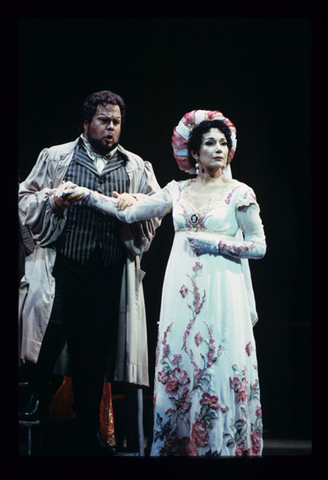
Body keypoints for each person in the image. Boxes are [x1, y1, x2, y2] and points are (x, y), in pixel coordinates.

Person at [57, 109, 267, 456]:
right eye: (210, 143)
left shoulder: (240, 192)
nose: (218, 149)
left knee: (218, 361)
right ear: (193, 152)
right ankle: (180, 446)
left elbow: (259, 246)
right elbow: (127, 212)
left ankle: (222, 448)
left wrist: (216, 243)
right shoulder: (177, 190)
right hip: (181, 289)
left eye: (223, 143)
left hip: (222, 286)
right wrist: (85, 194)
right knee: (182, 358)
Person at [18, 90, 161, 455]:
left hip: (108, 270)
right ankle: (32, 411)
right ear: (86, 123)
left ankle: (87, 429)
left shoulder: (134, 166)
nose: (111, 127)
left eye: (116, 122)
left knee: (94, 352)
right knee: (47, 342)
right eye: (103, 120)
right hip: (64, 266)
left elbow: (158, 206)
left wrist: (138, 203)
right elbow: (23, 199)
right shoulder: (57, 157)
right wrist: (53, 199)